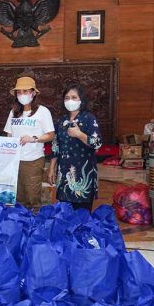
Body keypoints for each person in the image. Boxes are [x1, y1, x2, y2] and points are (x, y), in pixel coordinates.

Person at [3, 76, 55, 210]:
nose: (22, 95)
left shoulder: (43, 112)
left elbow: (50, 135)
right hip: (15, 160)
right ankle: (21, 223)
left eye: (25, 91)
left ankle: (35, 225)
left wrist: (34, 138)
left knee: (33, 197)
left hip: (33, 160)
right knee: (18, 197)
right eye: (19, 92)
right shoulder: (14, 112)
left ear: (33, 93)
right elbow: (9, 134)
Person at [48, 84, 102, 212]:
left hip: (84, 173)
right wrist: (51, 169)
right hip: (64, 173)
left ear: (81, 100)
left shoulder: (89, 118)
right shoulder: (62, 121)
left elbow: (98, 143)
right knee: (65, 212)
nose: (70, 100)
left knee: (82, 214)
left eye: (74, 97)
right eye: (67, 98)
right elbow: (56, 146)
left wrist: (80, 135)